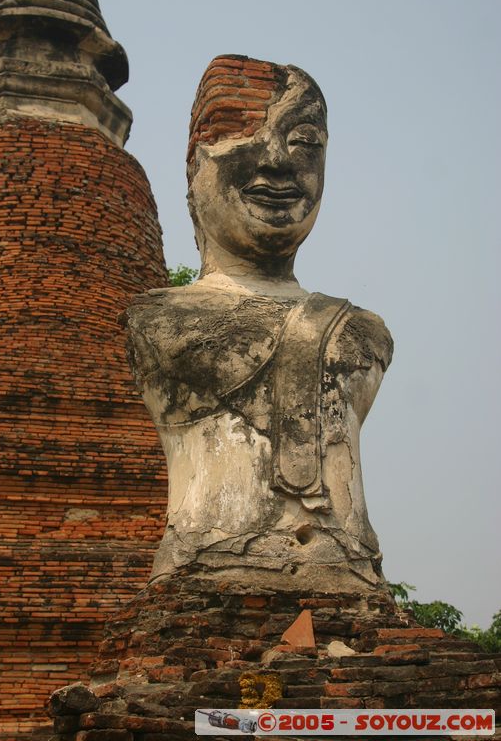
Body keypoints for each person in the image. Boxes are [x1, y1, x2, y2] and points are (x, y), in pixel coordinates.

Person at [124, 55, 393, 593]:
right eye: (237, 134)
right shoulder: (157, 321)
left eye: (305, 143)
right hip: (203, 591)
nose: (277, 161)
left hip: (354, 590)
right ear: (194, 165)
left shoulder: (362, 332)